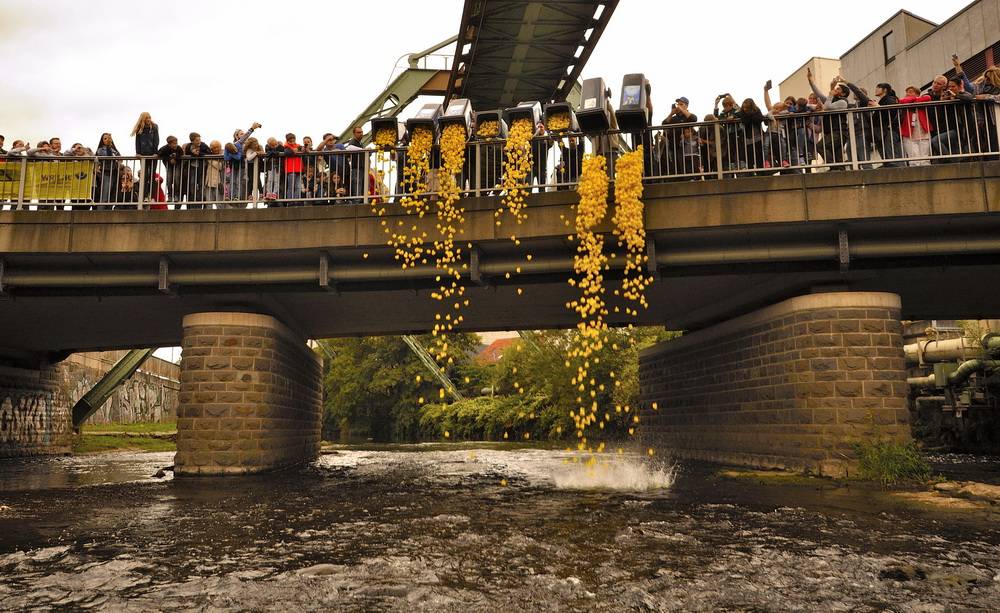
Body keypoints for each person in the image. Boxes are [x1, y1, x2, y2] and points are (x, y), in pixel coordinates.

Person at [808, 68, 851, 170]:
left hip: (838, 132)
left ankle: (833, 167)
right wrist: (810, 81)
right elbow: (818, 93)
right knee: (838, 157)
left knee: (820, 146)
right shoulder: (831, 99)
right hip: (832, 132)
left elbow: (826, 107)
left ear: (843, 94)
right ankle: (837, 170)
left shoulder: (843, 102)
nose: (835, 90)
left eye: (838, 89)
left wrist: (830, 94)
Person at [930, 75, 976, 162]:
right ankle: (954, 162)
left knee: (936, 141)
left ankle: (952, 161)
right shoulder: (948, 96)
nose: (951, 88)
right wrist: (942, 101)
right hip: (954, 129)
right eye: (949, 86)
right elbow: (940, 115)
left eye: (953, 86)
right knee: (959, 154)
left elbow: (969, 97)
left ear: (959, 86)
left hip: (965, 128)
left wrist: (955, 95)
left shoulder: (962, 93)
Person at [899, 86, 933, 166]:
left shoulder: (921, 99)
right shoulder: (904, 102)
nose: (907, 94)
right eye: (907, 92)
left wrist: (912, 100)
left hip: (923, 133)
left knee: (925, 159)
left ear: (917, 93)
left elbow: (927, 98)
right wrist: (912, 100)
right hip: (909, 134)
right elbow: (901, 101)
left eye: (910, 91)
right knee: (914, 159)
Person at [131, 112, 160, 202]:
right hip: (143, 154)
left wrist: (155, 152)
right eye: (147, 118)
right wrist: (138, 152)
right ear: (143, 119)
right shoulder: (140, 128)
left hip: (152, 154)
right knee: (144, 176)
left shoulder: (154, 127)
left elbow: (156, 140)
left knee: (152, 175)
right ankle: (144, 196)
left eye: (149, 117)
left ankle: (151, 196)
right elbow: (137, 141)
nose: (149, 119)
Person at [182, 132, 211, 207]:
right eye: (197, 140)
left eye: (199, 140)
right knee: (192, 184)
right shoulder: (189, 146)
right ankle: (193, 201)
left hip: (202, 167)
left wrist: (199, 153)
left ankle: (201, 201)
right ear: (192, 141)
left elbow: (209, 153)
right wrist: (192, 153)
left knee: (201, 184)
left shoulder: (203, 145)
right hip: (192, 167)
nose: (199, 142)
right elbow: (187, 154)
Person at [95, 133, 121, 205]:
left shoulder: (114, 150)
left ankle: (109, 210)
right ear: (102, 140)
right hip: (106, 173)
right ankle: (100, 212)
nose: (107, 140)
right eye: (105, 138)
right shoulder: (100, 150)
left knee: (112, 195)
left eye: (109, 138)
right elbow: (107, 157)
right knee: (105, 195)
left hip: (115, 173)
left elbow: (120, 158)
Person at [157, 136, 184, 204]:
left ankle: (176, 195)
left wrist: (176, 157)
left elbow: (182, 154)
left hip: (177, 165)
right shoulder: (164, 148)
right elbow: (159, 154)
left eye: (176, 143)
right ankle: (170, 195)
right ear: (169, 144)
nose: (176, 145)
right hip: (169, 165)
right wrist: (169, 159)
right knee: (169, 180)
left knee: (176, 179)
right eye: (174, 144)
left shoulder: (178, 148)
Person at [283, 133, 304, 203]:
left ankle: (296, 201)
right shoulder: (286, 146)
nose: (292, 142)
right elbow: (286, 153)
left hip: (298, 169)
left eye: (293, 140)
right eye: (290, 141)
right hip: (291, 169)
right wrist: (293, 150)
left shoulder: (298, 145)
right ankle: (290, 201)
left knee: (298, 187)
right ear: (287, 141)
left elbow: (303, 149)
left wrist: (304, 147)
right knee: (291, 187)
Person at [264, 137, 284, 202]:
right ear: (269, 144)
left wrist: (273, 152)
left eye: (274, 145)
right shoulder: (267, 146)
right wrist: (275, 152)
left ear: (276, 143)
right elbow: (269, 153)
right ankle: (269, 193)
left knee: (276, 180)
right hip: (270, 166)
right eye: (271, 145)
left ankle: (274, 193)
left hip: (278, 166)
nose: (273, 146)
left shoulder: (280, 146)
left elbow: (279, 152)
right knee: (270, 179)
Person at [204, 141, 224, 205]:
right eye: (213, 148)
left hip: (218, 182)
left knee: (219, 203)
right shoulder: (209, 155)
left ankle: (221, 215)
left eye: (217, 147)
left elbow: (220, 166)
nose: (215, 149)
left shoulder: (222, 156)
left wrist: (209, 160)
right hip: (208, 182)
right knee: (208, 203)